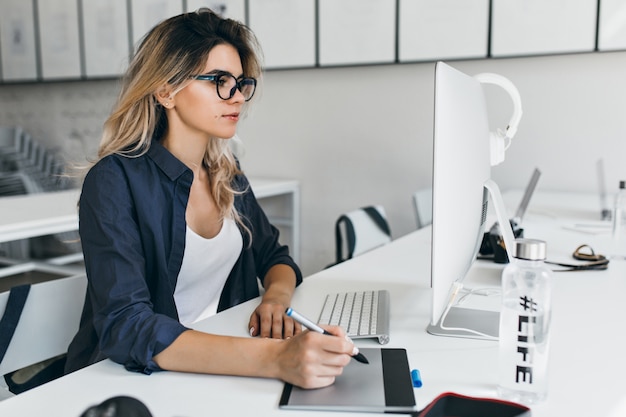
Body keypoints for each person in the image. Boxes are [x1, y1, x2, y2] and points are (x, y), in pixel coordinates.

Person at [65, 8, 357, 389]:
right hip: (131, 380)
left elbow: (274, 257)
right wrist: (276, 359)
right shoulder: (114, 181)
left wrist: (275, 299)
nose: (236, 96)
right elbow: (127, 325)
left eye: (240, 83)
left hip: (213, 367)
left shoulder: (225, 171)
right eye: (219, 81)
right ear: (165, 90)